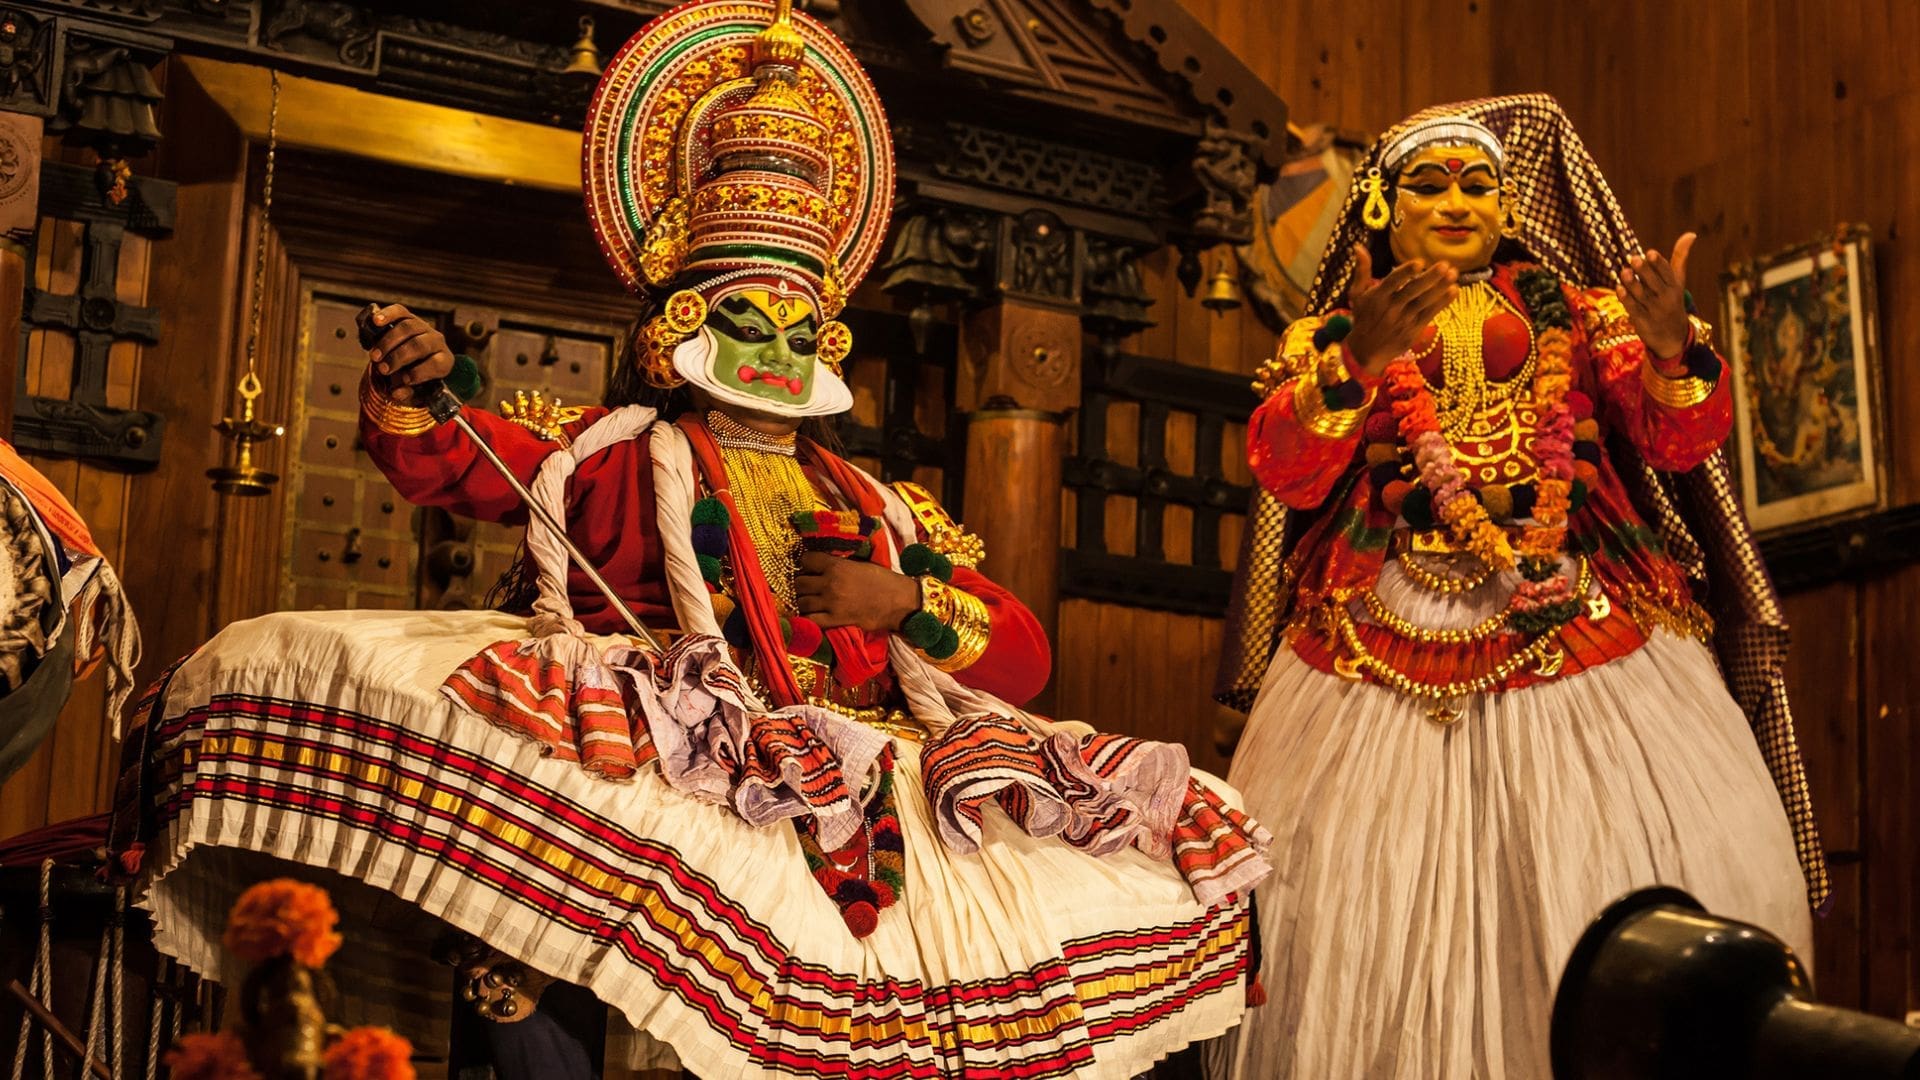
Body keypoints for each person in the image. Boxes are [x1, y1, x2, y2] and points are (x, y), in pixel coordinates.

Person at [116, 2, 1269, 1076]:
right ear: (680, 325)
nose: (772, 346)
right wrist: (430, 383)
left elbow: (1020, 656)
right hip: (654, 755)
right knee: (525, 950)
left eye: (797, 324)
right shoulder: (609, 451)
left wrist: (898, 604)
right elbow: (455, 458)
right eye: (743, 319)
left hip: (848, 785)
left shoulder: (883, 507)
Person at [1206, 95, 1823, 1079]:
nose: (1456, 201)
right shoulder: (1335, 330)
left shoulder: (1581, 316)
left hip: (1577, 603)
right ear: (1382, 208)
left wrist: (1670, 350)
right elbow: (1288, 470)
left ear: (1508, 203)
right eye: (1429, 184)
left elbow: (1677, 439)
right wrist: (1358, 360)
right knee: (1353, 897)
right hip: (1375, 619)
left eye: (1477, 184)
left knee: (1636, 853)